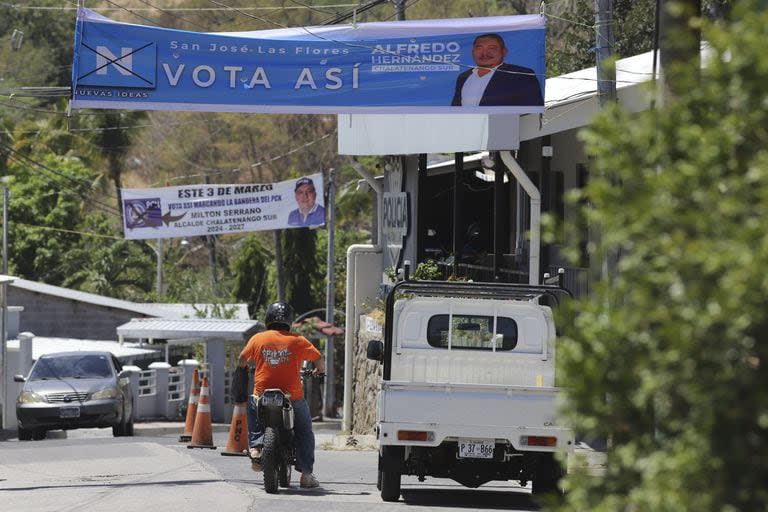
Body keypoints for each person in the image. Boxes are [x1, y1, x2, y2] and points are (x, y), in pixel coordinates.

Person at [238, 301, 326, 489]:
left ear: (268, 319)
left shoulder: (258, 339)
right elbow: (318, 358)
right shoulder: (298, 341)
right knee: (305, 431)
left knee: (253, 410)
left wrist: (245, 368)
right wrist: (319, 371)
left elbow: (241, 359)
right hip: (291, 397)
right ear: (289, 320)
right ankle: (306, 475)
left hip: (262, 394)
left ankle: (255, 447)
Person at [451, 33, 543, 107]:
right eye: (479, 48)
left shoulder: (521, 75)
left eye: (492, 48)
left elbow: (532, 111)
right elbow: (455, 110)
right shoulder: (463, 77)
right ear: (472, 52)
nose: (484, 53)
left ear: (504, 52)